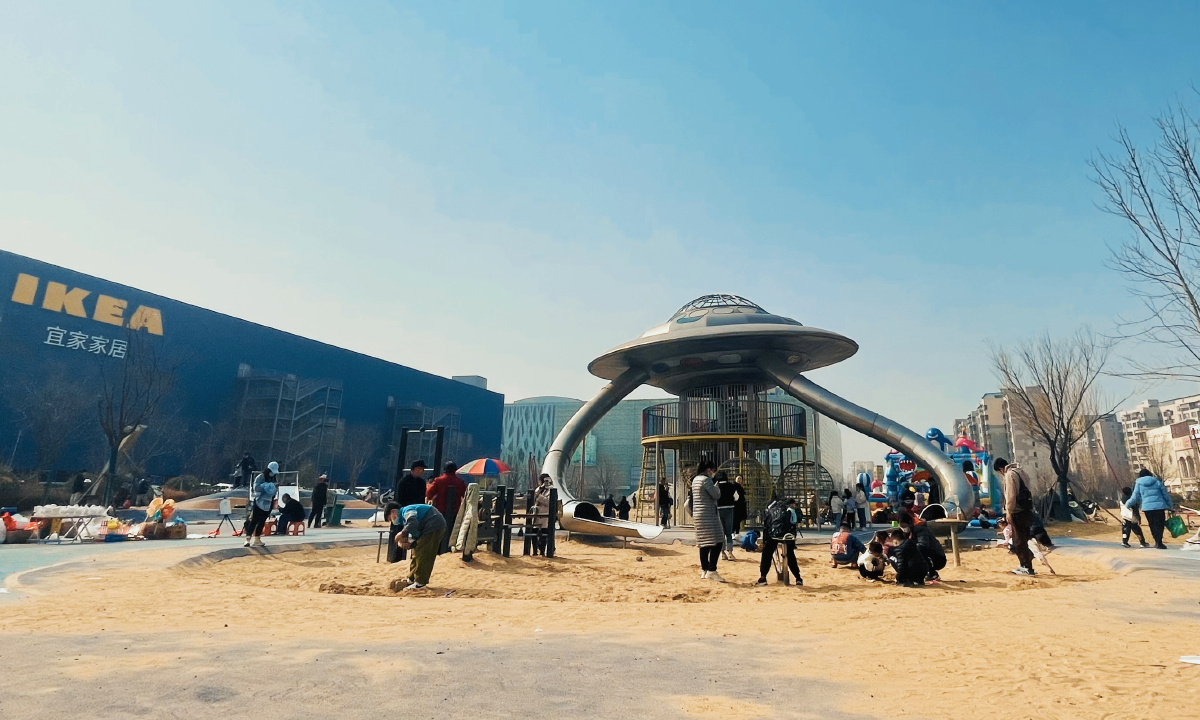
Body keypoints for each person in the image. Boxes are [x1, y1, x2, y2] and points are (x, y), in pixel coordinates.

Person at [386, 501, 447, 590]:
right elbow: (415, 533)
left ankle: (420, 583)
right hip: (428, 527)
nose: (393, 521)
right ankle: (411, 579)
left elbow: (413, 522)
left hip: (433, 525)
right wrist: (410, 544)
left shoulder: (407, 511)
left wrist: (401, 533)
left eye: (391, 519)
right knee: (417, 552)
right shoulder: (404, 519)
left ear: (393, 511)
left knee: (423, 554)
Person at [995, 457, 1036, 575]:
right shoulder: (1022, 472)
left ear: (1001, 469)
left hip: (1017, 511)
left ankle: (1026, 566)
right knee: (1024, 539)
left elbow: (1011, 495)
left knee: (1018, 541)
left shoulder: (1010, 475)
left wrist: (1009, 511)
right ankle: (1027, 563)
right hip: (1027, 509)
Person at [689, 461, 725, 582]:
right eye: (713, 471)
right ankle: (712, 570)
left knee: (703, 543)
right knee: (718, 540)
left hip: (698, 515)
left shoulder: (695, 480)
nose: (713, 473)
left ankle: (704, 569)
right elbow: (716, 495)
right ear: (709, 470)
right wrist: (717, 488)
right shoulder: (706, 480)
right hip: (708, 515)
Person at [756, 497, 803, 586]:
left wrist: (765, 540)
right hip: (788, 535)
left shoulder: (773, 509)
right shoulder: (793, 510)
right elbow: (798, 519)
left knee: (767, 553)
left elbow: (766, 526)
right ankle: (798, 578)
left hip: (773, 534)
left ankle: (763, 577)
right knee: (790, 554)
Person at [1127, 468, 1173, 549]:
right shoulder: (1157, 481)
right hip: (1159, 506)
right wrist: (1170, 505)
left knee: (1152, 524)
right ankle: (1159, 542)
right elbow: (1165, 494)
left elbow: (1135, 496)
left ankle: (1156, 541)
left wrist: (1127, 504)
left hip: (1147, 508)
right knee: (1160, 524)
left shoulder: (1139, 483)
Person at [900, 512, 946, 582]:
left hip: (938, 558)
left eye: (904, 526)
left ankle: (932, 573)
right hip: (929, 554)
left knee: (919, 550)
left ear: (909, 523)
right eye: (901, 526)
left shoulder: (921, 529)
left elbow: (923, 545)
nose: (903, 528)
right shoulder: (908, 532)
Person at [244, 461, 278, 547]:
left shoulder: (273, 478)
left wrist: (273, 488)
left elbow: (274, 490)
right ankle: (248, 539)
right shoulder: (260, 477)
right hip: (259, 501)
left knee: (262, 521)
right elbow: (256, 488)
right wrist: (265, 486)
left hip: (268, 502)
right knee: (254, 520)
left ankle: (257, 539)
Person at [715, 470, 743, 561]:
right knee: (729, 532)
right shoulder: (732, 486)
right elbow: (736, 497)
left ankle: (722, 553)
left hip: (719, 510)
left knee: (721, 532)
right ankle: (730, 553)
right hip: (729, 509)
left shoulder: (716, 487)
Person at [531, 474, 554, 555]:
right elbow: (534, 495)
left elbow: (548, 502)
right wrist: (540, 489)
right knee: (533, 532)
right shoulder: (539, 489)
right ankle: (534, 550)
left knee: (544, 533)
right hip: (536, 514)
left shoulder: (551, 490)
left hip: (545, 514)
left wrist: (539, 497)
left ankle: (542, 551)